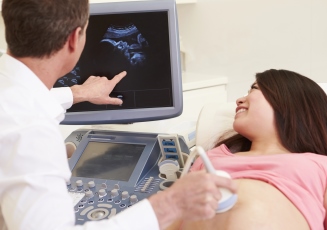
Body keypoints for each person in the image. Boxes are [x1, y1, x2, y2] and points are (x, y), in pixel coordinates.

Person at [0, 1, 237, 230]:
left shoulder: (14, 101)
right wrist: (169, 204)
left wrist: (76, 93)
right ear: (74, 39)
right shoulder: (31, 130)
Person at [167, 69, 327, 230]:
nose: (239, 100)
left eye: (254, 89)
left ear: (288, 100)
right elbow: (173, 217)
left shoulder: (325, 166)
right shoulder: (208, 159)